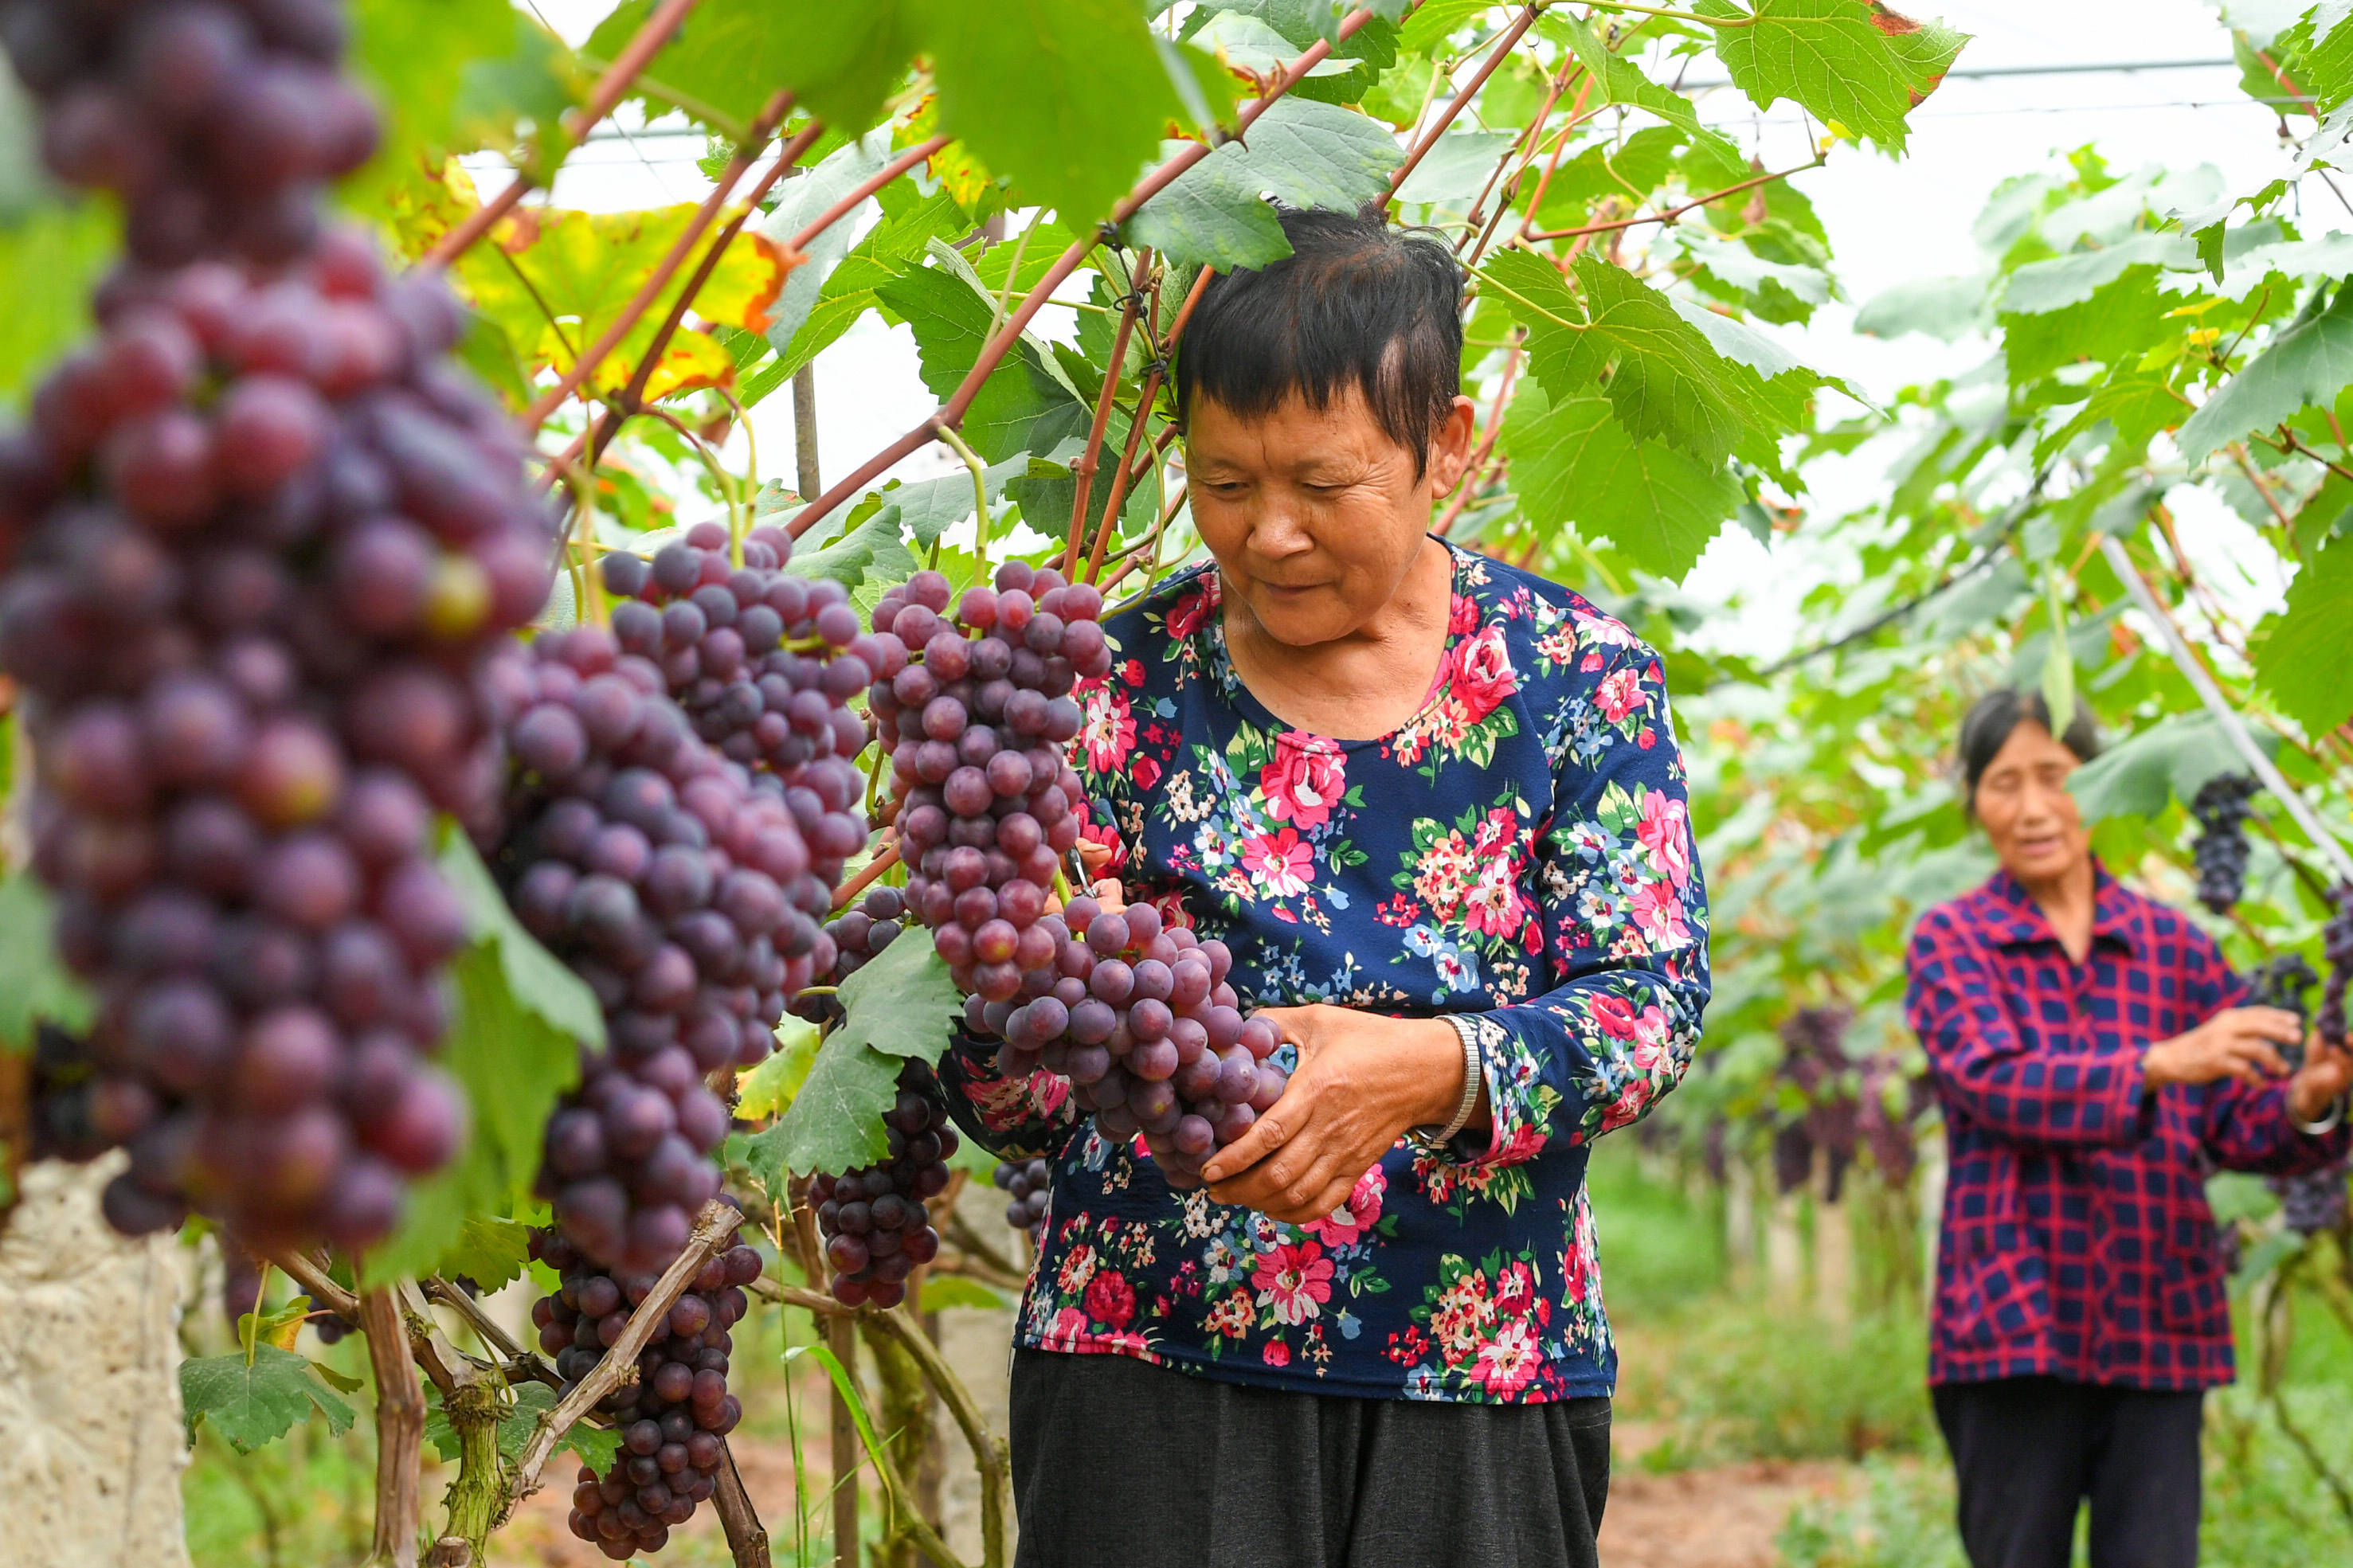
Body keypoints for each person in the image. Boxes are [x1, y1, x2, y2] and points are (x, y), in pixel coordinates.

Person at [932, 205, 1711, 1567]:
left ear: (1444, 447)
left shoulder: (1576, 677)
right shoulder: (1107, 680)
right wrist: (1014, 994)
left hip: (1477, 1369)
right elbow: (1004, 1079)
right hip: (1146, 1362)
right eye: (1225, 484)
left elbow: (1648, 1009)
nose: (1271, 532)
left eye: (1322, 482)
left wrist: (1427, 1066)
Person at [1905, 688, 2352, 1568]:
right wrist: (2156, 1062)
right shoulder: (1951, 941)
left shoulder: (2176, 947)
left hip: (2159, 1319)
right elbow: (1996, 1084)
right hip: (2011, 1328)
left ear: (2095, 786)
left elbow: (2239, 1123)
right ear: (1973, 800)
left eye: (2054, 777)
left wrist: (2308, 1100)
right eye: (2002, 783)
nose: (2031, 807)